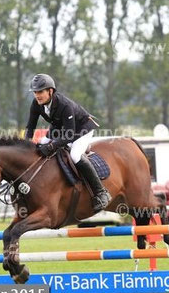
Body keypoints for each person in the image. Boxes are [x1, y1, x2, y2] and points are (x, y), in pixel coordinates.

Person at [24, 73, 111, 212]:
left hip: (81, 129)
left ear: (50, 91)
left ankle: (101, 192)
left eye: (40, 92)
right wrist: (25, 145)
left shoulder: (64, 105)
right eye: (35, 92)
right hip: (60, 129)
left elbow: (69, 135)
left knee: (75, 155)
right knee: (40, 144)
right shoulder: (36, 104)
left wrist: (52, 146)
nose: (37, 95)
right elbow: (30, 127)